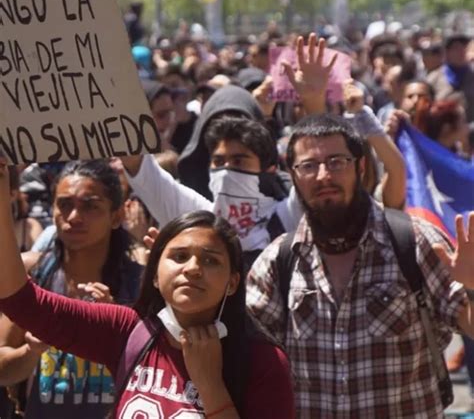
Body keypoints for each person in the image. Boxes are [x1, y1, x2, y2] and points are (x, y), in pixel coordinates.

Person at [0, 159, 296, 418]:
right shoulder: (128, 329)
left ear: (233, 282)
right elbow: (22, 303)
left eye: (210, 260)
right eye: (179, 257)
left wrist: (210, 386)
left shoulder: (263, 362)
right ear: (155, 273)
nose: (192, 268)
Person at [246, 112, 474, 418]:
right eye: (309, 166)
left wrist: (472, 287)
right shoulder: (279, 261)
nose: (324, 175)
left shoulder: (414, 243)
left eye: (337, 162)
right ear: (294, 175)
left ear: (361, 166)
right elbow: (245, 354)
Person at [0, 160, 143, 419]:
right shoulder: (32, 273)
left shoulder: (140, 283)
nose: (74, 217)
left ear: (117, 216)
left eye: (90, 206)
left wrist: (116, 328)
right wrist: (30, 350)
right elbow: (2, 368)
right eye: (64, 204)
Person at [122, 116, 302, 270]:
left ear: (268, 170)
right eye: (218, 161)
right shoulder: (200, 217)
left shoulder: (287, 217)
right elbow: (141, 167)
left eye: (238, 161)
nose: (225, 171)